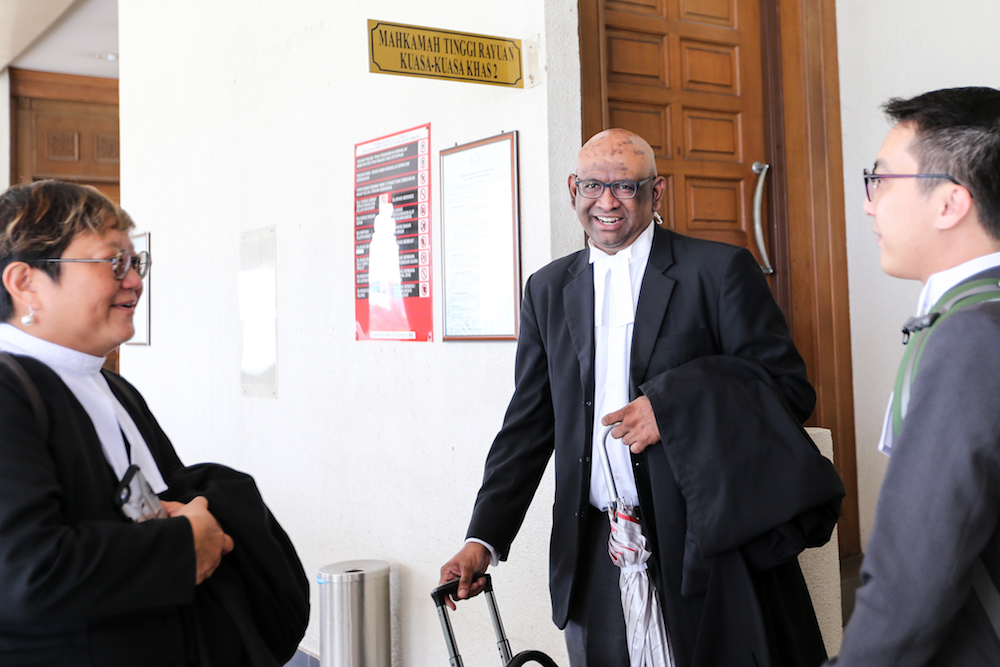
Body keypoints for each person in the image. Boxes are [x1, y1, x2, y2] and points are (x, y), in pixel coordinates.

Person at [440, 129, 843, 667]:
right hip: (594, 556)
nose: (606, 202)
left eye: (626, 187)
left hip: (703, 550)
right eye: (592, 186)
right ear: (572, 189)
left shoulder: (718, 271)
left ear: (658, 192)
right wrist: (482, 539)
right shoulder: (547, 289)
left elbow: (789, 390)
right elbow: (529, 425)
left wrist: (673, 408)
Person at [0, 180, 308, 666]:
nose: (135, 280)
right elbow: (25, 572)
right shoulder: (10, 392)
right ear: (26, 283)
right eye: (113, 262)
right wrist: (184, 546)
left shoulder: (111, 387)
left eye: (136, 261)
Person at [830, 87, 1000, 666]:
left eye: (880, 180)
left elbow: (912, 579)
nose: (867, 204)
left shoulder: (972, 337)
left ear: (951, 203)